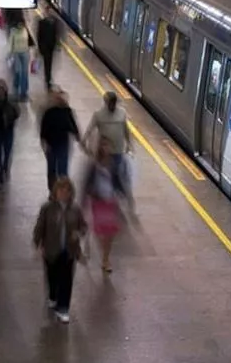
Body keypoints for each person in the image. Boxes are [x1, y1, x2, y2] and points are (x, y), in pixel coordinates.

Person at [32, 176, 88, 324]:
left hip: (68, 250)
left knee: (66, 279)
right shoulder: (47, 208)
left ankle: (63, 308)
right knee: (52, 276)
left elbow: (83, 226)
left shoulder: (75, 209)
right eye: (61, 190)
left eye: (67, 191)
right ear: (55, 192)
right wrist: (37, 244)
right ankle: (53, 296)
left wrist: (78, 233)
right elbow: (40, 227)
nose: (63, 194)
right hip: (51, 250)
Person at [82, 91, 136, 214]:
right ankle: (112, 197)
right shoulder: (99, 115)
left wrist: (130, 144)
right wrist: (84, 141)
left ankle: (124, 198)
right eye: (110, 103)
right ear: (106, 103)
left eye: (113, 103)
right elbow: (90, 128)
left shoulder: (122, 113)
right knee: (107, 176)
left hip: (118, 151)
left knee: (119, 176)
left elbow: (126, 130)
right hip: (104, 153)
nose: (112, 105)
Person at [85, 135, 123, 273]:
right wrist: (85, 200)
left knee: (110, 232)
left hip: (110, 201)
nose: (106, 148)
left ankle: (105, 258)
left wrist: (122, 195)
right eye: (103, 145)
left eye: (108, 146)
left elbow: (117, 181)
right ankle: (104, 257)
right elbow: (87, 184)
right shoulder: (94, 165)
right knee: (102, 231)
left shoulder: (112, 163)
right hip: (98, 202)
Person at [39, 87, 81, 190]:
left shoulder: (67, 111)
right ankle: (52, 191)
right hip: (51, 145)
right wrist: (44, 143)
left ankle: (63, 190)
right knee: (52, 170)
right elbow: (43, 130)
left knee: (63, 170)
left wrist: (77, 135)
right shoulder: (48, 113)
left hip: (63, 144)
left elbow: (72, 125)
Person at [6, 20, 33, 101]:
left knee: (24, 72)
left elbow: (31, 40)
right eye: (19, 24)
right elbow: (10, 42)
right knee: (18, 71)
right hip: (16, 53)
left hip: (25, 53)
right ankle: (16, 86)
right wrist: (9, 53)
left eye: (22, 24)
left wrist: (35, 52)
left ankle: (23, 92)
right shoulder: (13, 31)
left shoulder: (26, 30)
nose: (21, 26)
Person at [35, 11, 60, 90]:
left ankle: (48, 78)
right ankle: (47, 80)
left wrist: (56, 45)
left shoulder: (55, 22)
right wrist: (39, 48)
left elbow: (56, 35)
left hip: (51, 47)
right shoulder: (41, 22)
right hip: (44, 47)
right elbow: (38, 36)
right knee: (47, 65)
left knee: (49, 64)